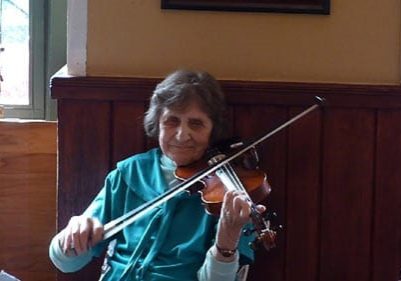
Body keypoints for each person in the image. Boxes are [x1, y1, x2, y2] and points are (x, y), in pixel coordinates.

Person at [49, 69, 266, 281]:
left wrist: (226, 241)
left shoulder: (230, 191)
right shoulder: (129, 174)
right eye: (172, 121)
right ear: (158, 123)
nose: (182, 135)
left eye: (196, 123)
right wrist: (73, 232)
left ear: (213, 129)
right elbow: (67, 264)